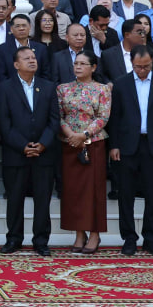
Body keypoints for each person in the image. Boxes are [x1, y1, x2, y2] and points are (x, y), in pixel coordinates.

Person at [108, 45, 153, 256]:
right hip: (127, 145)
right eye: (138, 67)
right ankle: (129, 238)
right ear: (132, 63)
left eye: (146, 66)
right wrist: (114, 145)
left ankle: (152, 239)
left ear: (152, 63)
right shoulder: (121, 83)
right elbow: (115, 117)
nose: (142, 70)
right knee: (125, 195)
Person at [0, 47, 58, 255]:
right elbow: (4, 124)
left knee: (43, 200)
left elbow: (54, 120)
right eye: (26, 58)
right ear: (16, 64)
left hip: (44, 153)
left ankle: (41, 240)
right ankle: (14, 238)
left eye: (33, 57)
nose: (32, 60)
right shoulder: (4, 88)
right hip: (15, 153)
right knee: (14, 199)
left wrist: (43, 144)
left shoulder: (48, 87)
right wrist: (23, 146)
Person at [57, 51, 110, 253]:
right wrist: (71, 134)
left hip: (93, 144)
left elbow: (103, 117)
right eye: (76, 63)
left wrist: (84, 134)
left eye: (83, 64)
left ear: (93, 67)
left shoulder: (102, 89)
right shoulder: (63, 89)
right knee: (74, 192)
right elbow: (59, 116)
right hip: (69, 143)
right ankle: (79, 233)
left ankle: (95, 234)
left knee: (94, 191)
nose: (78, 67)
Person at [0, 14, 49, 83]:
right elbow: (2, 75)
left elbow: (46, 74)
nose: (21, 28)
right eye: (17, 26)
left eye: (24, 25)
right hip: (11, 88)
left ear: (30, 27)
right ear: (11, 29)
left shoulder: (41, 48)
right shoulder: (2, 50)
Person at [100, 19, 144, 84]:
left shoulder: (148, 53)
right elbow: (103, 75)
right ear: (127, 35)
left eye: (143, 32)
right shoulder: (109, 55)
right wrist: (108, 83)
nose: (143, 35)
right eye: (140, 33)